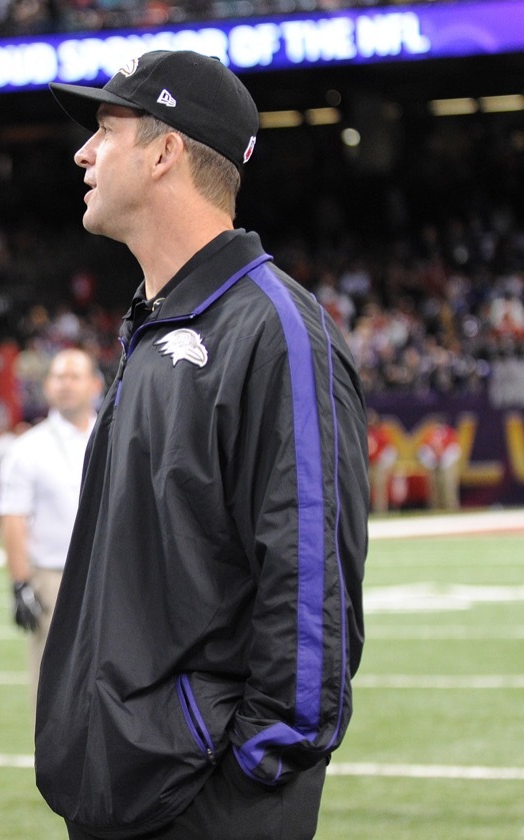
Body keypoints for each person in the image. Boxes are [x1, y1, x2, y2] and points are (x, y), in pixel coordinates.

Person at [37, 50, 368, 840]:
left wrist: (250, 776)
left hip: (202, 801)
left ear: (164, 151)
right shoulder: (161, 326)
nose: (83, 152)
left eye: (105, 131)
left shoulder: (274, 329)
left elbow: (311, 584)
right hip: (125, 790)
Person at [0, 347, 102, 714]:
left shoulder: (114, 435)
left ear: (95, 384)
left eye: (74, 376)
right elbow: (12, 518)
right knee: (54, 685)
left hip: (111, 574)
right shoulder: (28, 447)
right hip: (54, 577)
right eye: (58, 377)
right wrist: (21, 582)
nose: (65, 384)